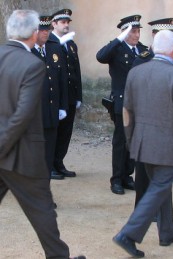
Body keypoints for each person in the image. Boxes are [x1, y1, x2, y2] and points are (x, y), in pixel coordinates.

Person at [0, 9, 85, 259]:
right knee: (43, 212)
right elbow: (23, 115)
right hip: (24, 155)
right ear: (34, 33)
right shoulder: (33, 64)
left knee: (42, 213)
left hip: (9, 150)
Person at [113, 30, 173, 258]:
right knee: (159, 188)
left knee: (161, 186)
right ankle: (129, 234)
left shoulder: (135, 73)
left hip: (143, 143)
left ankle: (167, 232)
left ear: (154, 49)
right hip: (169, 147)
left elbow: (127, 112)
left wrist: (131, 141)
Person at [96, 15, 148, 195]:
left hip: (139, 103)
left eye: (138, 31)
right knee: (120, 142)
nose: (137, 35)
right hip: (122, 101)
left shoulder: (143, 50)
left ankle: (127, 176)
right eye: (133, 31)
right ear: (125, 32)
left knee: (133, 141)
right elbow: (100, 56)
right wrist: (118, 39)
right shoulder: (116, 49)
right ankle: (116, 179)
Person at [132, 17, 173, 208]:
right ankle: (142, 206)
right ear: (154, 36)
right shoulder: (141, 59)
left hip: (167, 122)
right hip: (146, 121)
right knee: (144, 170)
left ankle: (162, 213)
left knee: (164, 169)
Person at [31, 15, 68, 180]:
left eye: (48, 30)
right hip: (35, 115)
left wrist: (63, 106)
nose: (46, 33)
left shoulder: (54, 49)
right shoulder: (27, 52)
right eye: (42, 30)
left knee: (48, 156)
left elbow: (61, 81)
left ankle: (43, 193)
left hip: (52, 113)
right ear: (34, 32)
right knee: (34, 157)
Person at [50, 8, 83, 179]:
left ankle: (59, 162)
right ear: (53, 24)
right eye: (62, 22)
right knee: (54, 131)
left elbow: (76, 71)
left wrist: (79, 96)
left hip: (69, 95)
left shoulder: (71, 44)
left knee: (66, 132)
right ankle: (50, 165)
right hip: (56, 96)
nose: (66, 25)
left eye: (68, 22)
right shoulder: (49, 43)